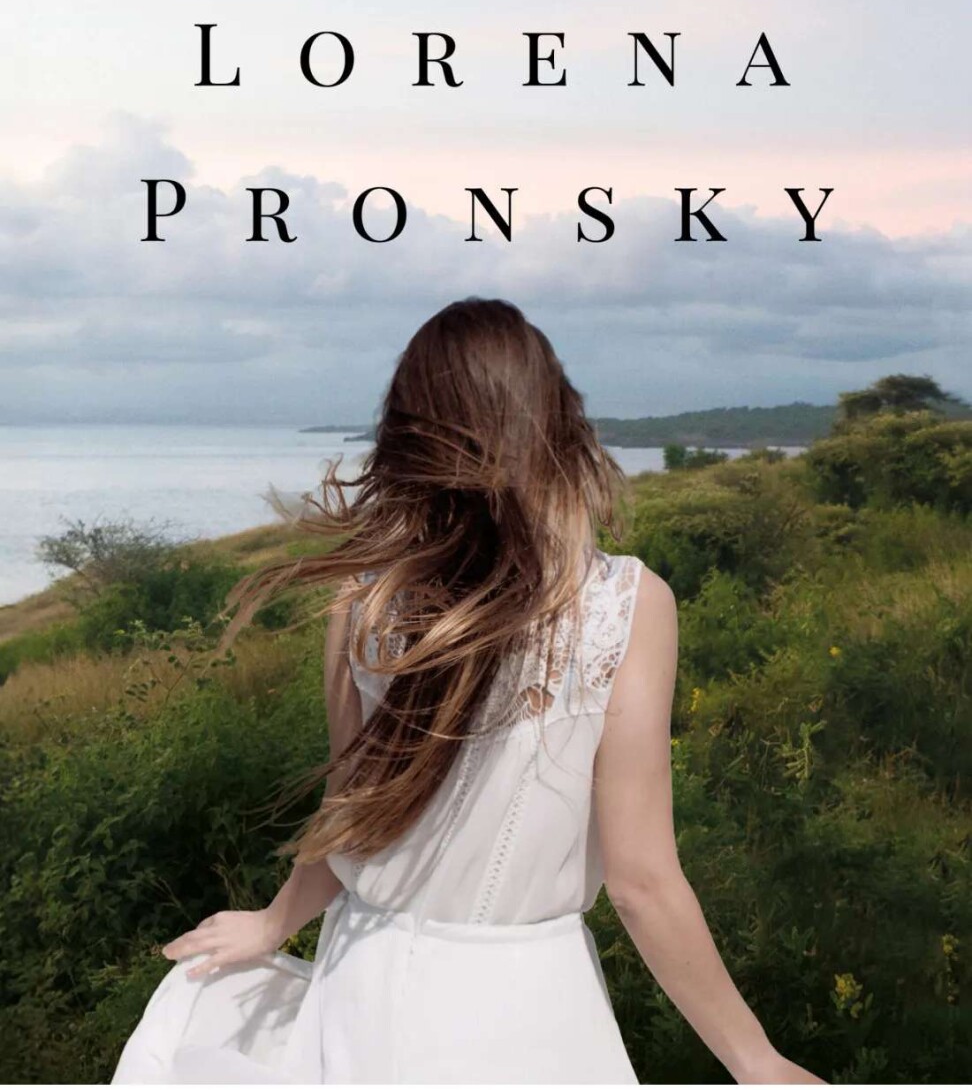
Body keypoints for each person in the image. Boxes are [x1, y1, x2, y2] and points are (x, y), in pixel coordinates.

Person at [113, 298, 823, 1085]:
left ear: (408, 436)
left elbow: (352, 816)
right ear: (557, 419)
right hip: (533, 1005)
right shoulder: (626, 605)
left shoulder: (367, 601)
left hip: (367, 989)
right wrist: (756, 1060)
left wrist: (274, 923)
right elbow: (642, 884)